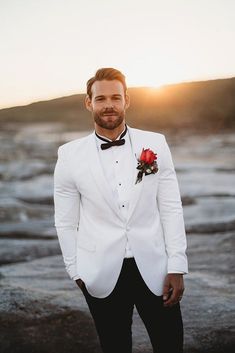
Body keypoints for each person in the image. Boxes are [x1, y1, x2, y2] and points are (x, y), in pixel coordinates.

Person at [54, 67, 188, 353]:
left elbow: (170, 207)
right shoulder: (68, 155)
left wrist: (177, 265)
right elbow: (65, 221)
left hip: (155, 269)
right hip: (100, 271)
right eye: (100, 99)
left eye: (116, 97)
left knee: (170, 343)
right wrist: (75, 269)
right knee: (114, 346)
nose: (109, 105)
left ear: (127, 100)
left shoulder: (155, 144)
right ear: (88, 102)